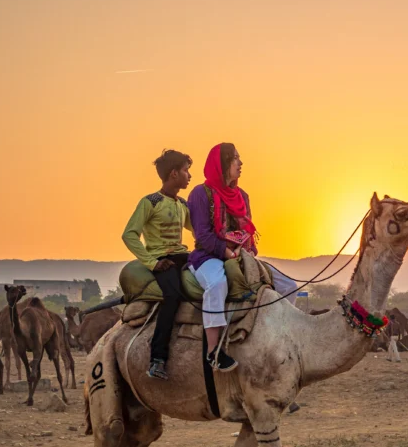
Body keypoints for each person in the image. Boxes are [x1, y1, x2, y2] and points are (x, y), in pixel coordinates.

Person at [187, 143, 297, 372]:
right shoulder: (200, 194)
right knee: (217, 285)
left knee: (290, 286)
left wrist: (246, 252)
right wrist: (227, 252)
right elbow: (203, 235)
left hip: (241, 255)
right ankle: (214, 352)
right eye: (235, 158)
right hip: (210, 257)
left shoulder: (242, 196)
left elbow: (247, 231)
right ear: (222, 164)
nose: (241, 163)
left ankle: (276, 339)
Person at [123, 149, 195, 380]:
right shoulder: (150, 202)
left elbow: (198, 230)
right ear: (174, 174)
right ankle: (157, 359)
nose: (189, 176)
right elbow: (129, 235)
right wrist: (152, 263)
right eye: (186, 171)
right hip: (162, 260)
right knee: (172, 297)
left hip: (183, 256)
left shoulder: (182, 204)